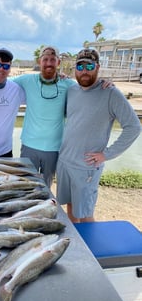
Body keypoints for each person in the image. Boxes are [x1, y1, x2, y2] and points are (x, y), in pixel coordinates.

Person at [0, 46, 76, 187]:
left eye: (52, 60)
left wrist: (103, 84)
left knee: (44, 187)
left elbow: (85, 93)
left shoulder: (67, 84)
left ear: (58, 62)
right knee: (21, 184)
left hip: (45, 148)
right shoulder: (24, 81)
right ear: (39, 61)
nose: (1, 69)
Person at [56, 48, 141, 223]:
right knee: (71, 207)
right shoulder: (71, 90)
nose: (85, 70)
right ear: (75, 69)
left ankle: (89, 249)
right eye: (80, 66)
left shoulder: (110, 93)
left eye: (89, 65)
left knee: (85, 214)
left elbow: (133, 127)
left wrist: (107, 154)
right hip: (65, 161)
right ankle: (78, 246)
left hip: (86, 167)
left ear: (98, 67)